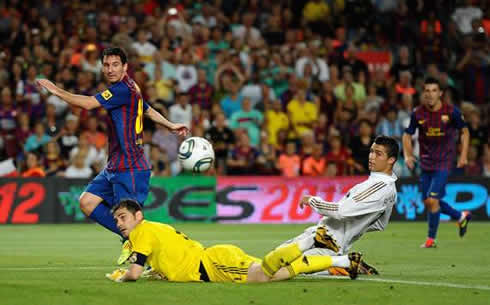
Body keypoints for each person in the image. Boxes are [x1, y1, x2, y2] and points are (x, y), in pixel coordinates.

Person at [36, 47, 189, 260]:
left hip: (131, 167)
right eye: (106, 65)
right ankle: (132, 240)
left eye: (115, 64)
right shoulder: (131, 87)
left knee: (132, 220)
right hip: (115, 165)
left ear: (125, 67)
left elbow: (89, 104)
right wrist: (169, 124)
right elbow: (145, 108)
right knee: (87, 202)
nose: (110, 69)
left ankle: (157, 257)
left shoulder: (122, 90)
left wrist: (57, 91)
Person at [105, 199, 362, 283]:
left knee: (265, 274)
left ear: (138, 216)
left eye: (123, 217)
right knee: (277, 272)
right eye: (117, 220)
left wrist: (122, 276)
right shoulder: (153, 228)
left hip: (213, 265)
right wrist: (160, 271)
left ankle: (310, 241)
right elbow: (166, 257)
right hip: (214, 259)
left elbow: (135, 273)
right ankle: (341, 261)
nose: (120, 224)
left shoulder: (140, 232)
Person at [277, 135, 399, 276]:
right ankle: (344, 263)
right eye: (371, 151)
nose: (372, 157)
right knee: (276, 259)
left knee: (283, 270)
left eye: (378, 154)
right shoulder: (387, 187)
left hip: (329, 242)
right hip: (319, 234)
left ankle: (342, 264)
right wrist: (354, 227)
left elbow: (341, 211)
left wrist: (312, 201)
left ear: (391, 160)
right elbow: (380, 224)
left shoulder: (379, 187)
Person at [402, 77, 471, 249]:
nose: (430, 94)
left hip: (444, 162)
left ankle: (430, 240)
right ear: (423, 93)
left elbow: (465, 131)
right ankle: (461, 216)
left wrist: (463, 155)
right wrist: (408, 155)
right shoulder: (418, 113)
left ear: (440, 93)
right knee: (428, 201)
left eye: (434, 90)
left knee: (433, 200)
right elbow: (407, 135)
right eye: (427, 91)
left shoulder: (451, 112)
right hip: (425, 164)